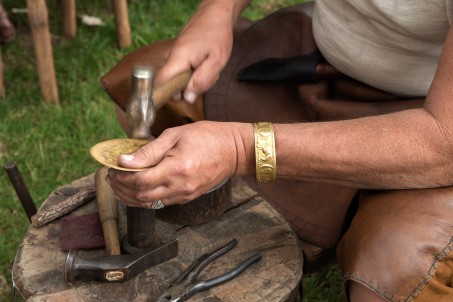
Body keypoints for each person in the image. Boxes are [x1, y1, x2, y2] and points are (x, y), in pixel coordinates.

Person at [104, 0, 453, 301]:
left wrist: (241, 149)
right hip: (321, 69)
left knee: (389, 278)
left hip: (429, 125)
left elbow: (442, 142)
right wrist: (218, 12)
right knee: (139, 93)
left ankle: (361, 222)